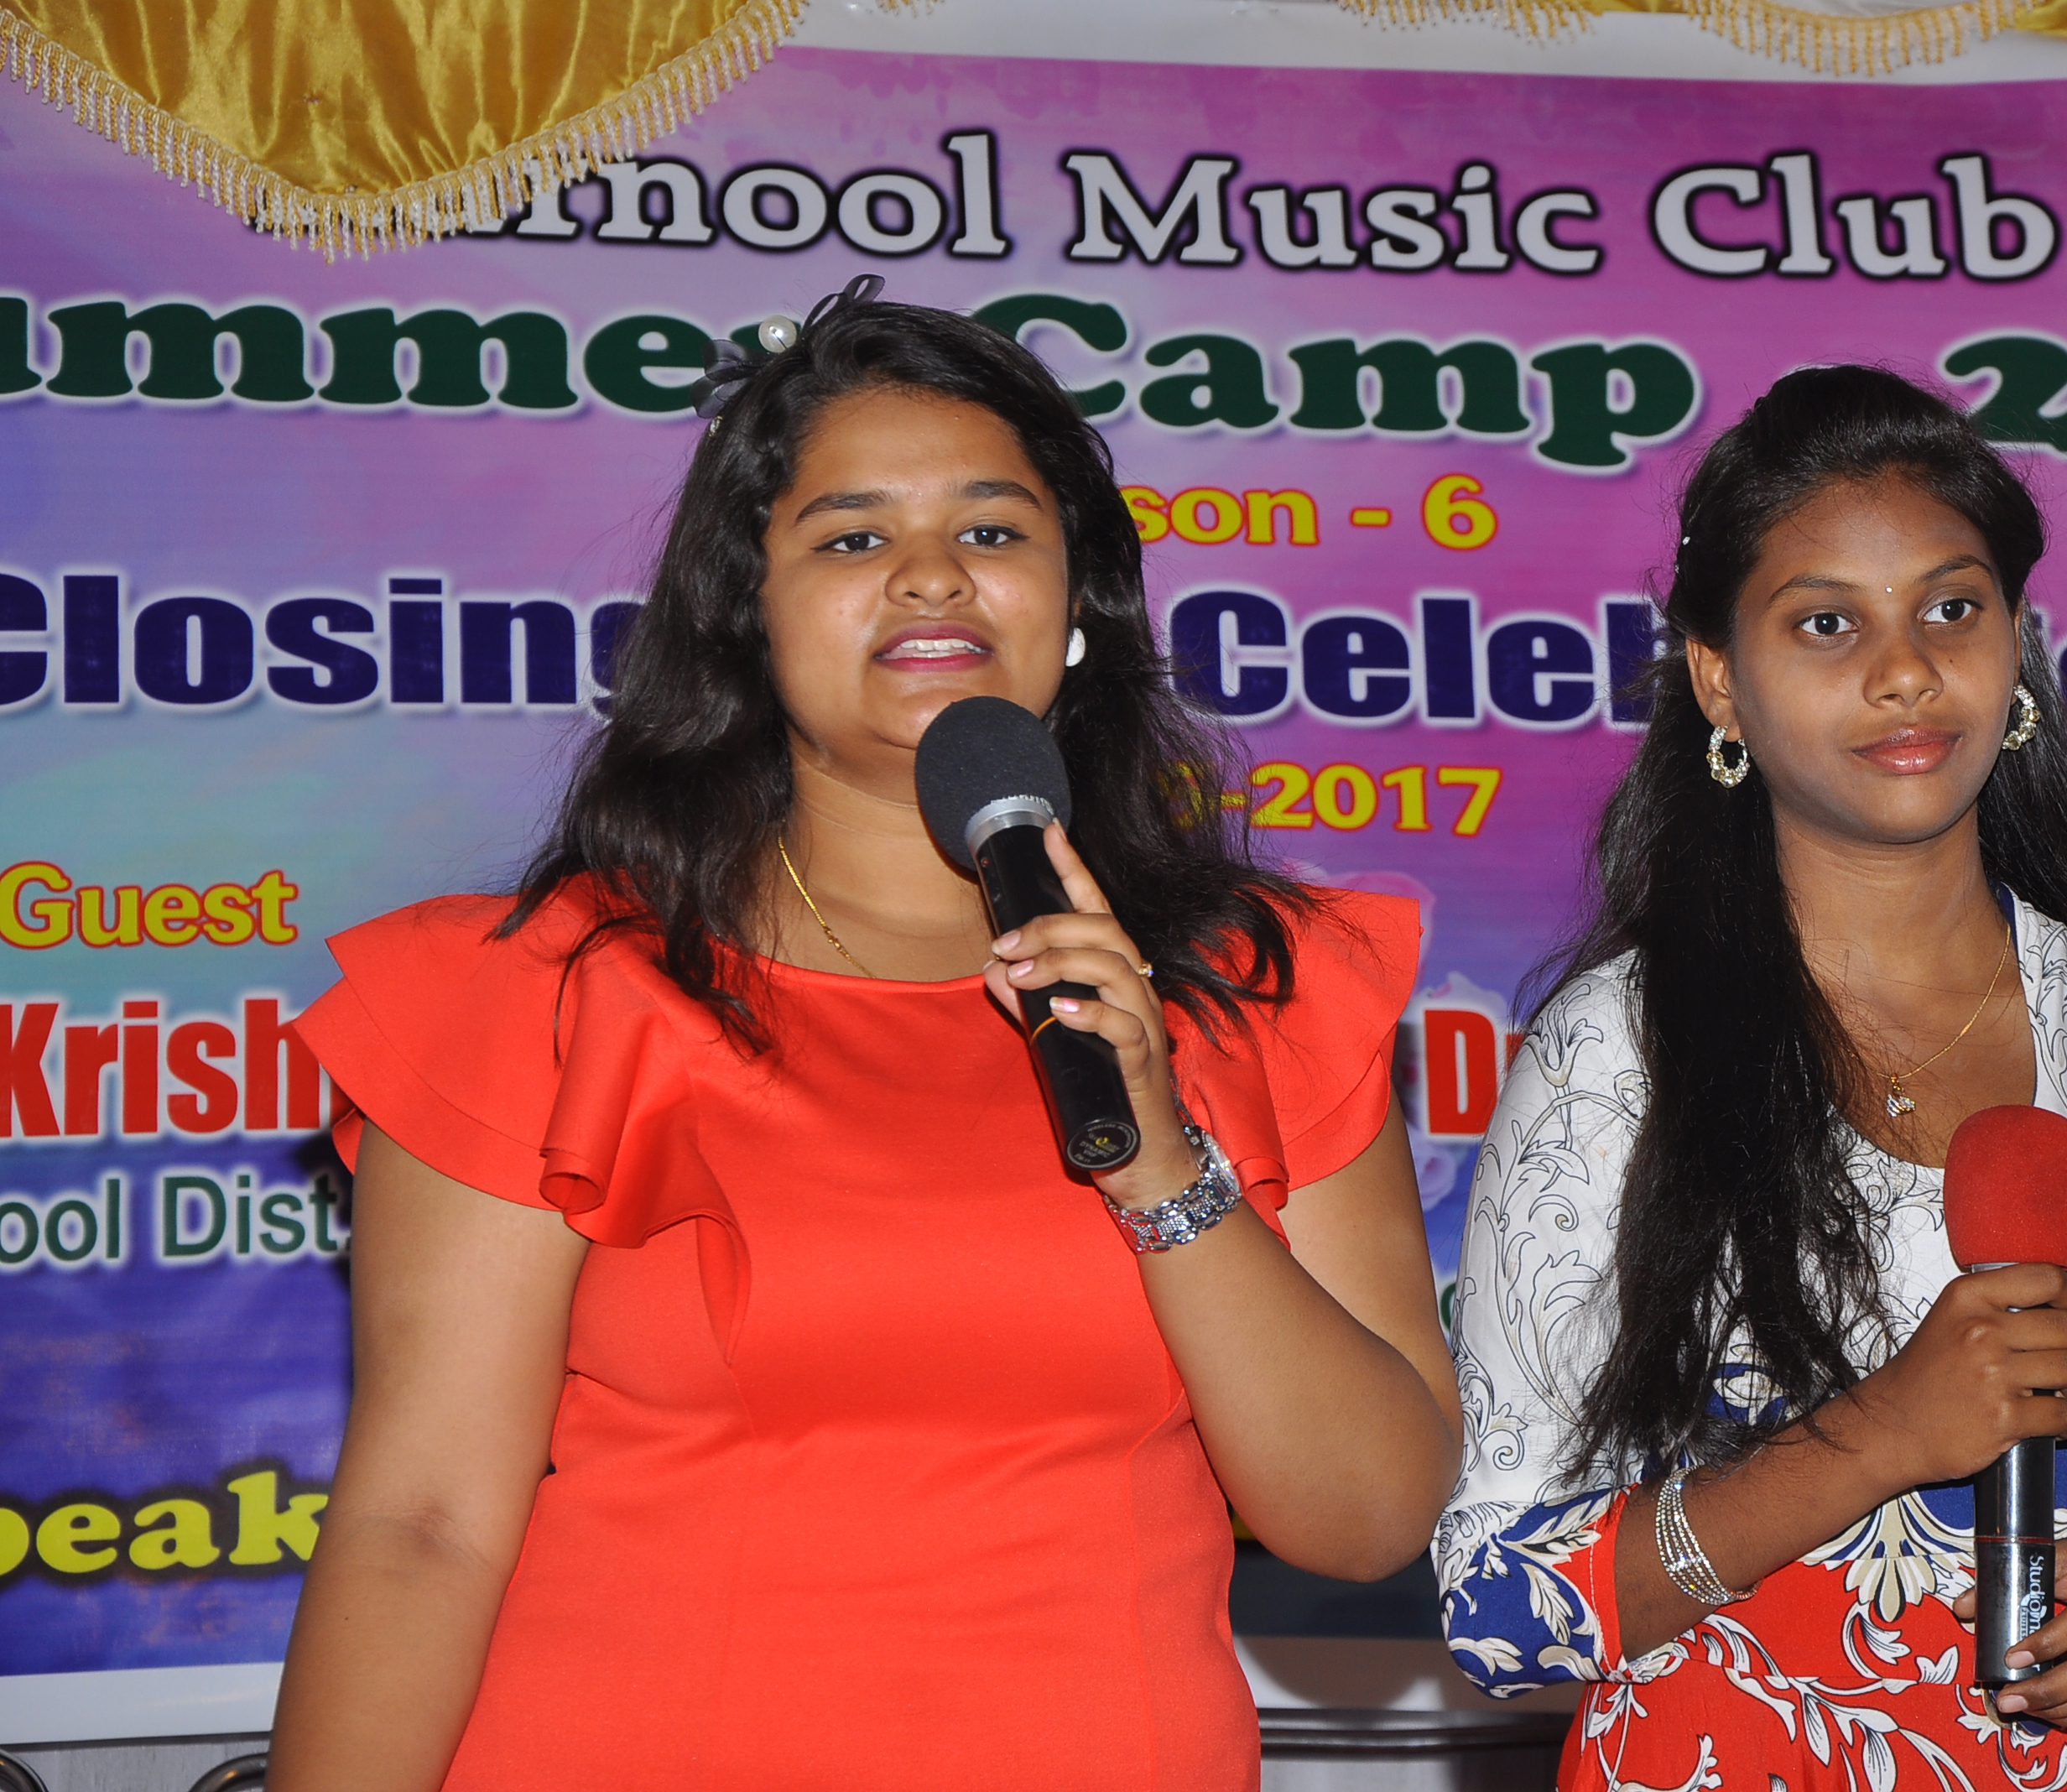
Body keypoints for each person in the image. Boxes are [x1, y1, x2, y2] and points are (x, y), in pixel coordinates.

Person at [269, 278, 1461, 1792]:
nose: (931, 578)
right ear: (747, 618)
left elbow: (1364, 1519)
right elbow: (421, 1527)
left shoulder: (1261, 991)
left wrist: (1162, 1158)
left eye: (992, 531)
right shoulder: (557, 994)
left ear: (1080, 609)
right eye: (850, 539)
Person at [1433, 367, 2067, 1791]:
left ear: (2017, 647)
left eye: (1953, 609)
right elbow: (1497, 1606)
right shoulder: (1611, 1058)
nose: (1906, 671)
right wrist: (1877, 1436)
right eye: (1828, 623)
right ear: (1719, 679)